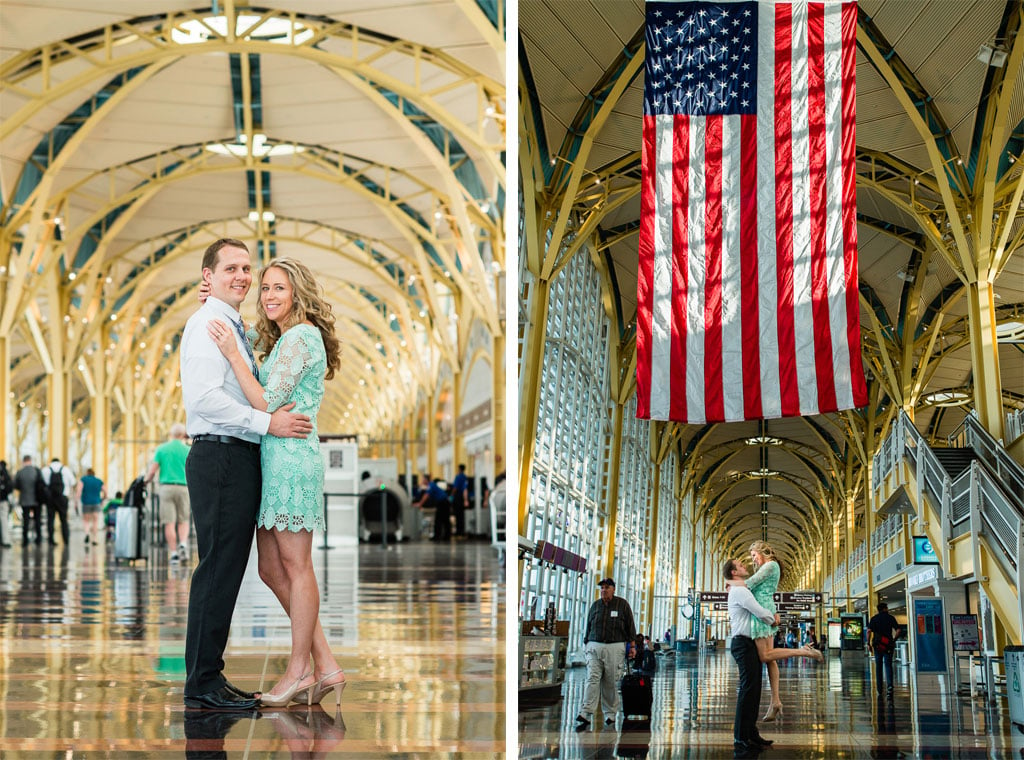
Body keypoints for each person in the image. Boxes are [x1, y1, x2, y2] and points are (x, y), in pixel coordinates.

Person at [180, 238, 314, 711]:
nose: (241, 276)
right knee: (217, 568)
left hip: (236, 456)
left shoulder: (228, 324)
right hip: (221, 455)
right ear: (208, 276)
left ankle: (208, 675)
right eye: (230, 269)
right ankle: (201, 683)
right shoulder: (207, 326)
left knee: (226, 569)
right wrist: (268, 422)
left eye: (246, 269)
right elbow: (204, 400)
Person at [207, 255, 345, 709]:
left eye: (278, 288)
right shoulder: (287, 338)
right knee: (270, 568)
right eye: (264, 287)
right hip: (274, 458)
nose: (268, 295)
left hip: (291, 461)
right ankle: (325, 664)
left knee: (297, 565)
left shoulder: (302, 336)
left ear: (297, 292)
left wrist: (231, 352)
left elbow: (265, 400)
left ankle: (298, 669)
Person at [740, 540, 822, 721]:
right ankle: (775, 701)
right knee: (771, 658)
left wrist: (732, 583)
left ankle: (804, 651)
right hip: (766, 608)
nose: (753, 560)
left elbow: (750, 584)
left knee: (765, 655)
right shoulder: (771, 567)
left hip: (761, 611)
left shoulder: (770, 565)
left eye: (754, 555)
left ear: (762, 551)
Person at [724, 558, 779, 758]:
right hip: (743, 644)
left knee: (754, 690)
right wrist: (774, 618)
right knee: (747, 690)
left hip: (750, 643)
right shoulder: (739, 591)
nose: (745, 566)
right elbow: (759, 612)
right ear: (733, 573)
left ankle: (751, 734)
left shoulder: (741, 589)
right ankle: (741, 737)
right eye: (740, 566)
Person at [575, 578, 636, 729]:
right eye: (602, 588)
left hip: (615, 647)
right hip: (594, 646)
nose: (603, 590)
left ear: (613, 589)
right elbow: (589, 624)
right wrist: (586, 642)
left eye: (606, 588)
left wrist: (632, 645)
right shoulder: (596, 606)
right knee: (592, 678)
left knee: (610, 681)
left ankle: (610, 713)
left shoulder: (622, 605)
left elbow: (630, 626)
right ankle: (585, 711)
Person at [145, 423, 192, 562]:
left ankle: (173, 554)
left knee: (169, 522)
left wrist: (146, 481)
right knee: (183, 520)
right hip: (184, 487)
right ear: (183, 434)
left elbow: (152, 471)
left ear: (171, 435)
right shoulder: (187, 450)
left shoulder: (161, 449)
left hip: (166, 488)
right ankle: (182, 544)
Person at [868, 602, 900, 697]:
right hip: (888, 644)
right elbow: (898, 630)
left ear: (878, 609)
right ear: (885, 608)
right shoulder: (891, 618)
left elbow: (869, 631)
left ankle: (879, 688)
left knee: (878, 666)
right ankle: (889, 686)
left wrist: (868, 643)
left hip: (877, 645)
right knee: (888, 665)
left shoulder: (874, 619)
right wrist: (894, 640)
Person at [41, 457, 75, 545]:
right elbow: (73, 482)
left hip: (50, 498)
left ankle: (51, 540)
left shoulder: (45, 470)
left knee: (50, 519)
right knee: (63, 520)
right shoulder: (66, 469)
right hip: (63, 497)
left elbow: (41, 484)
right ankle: (66, 540)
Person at [13, 456, 44, 545]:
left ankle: (25, 540)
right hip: (37, 499)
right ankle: (38, 539)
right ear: (30, 461)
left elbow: (15, 485)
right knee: (37, 519)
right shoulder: (37, 471)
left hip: (25, 499)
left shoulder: (20, 472)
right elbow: (42, 484)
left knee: (25, 520)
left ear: (23, 461)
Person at [75, 468, 106, 546]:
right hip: (96, 502)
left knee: (86, 520)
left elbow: (79, 491)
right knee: (95, 521)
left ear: (87, 473)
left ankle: (87, 534)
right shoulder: (99, 481)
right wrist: (102, 499)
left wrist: (76, 502)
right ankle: (95, 539)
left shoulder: (83, 480)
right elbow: (106, 492)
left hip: (86, 503)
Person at [450, 463, 469, 537]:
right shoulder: (465, 477)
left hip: (458, 497)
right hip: (462, 497)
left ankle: (458, 531)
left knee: (458, 515)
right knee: (461, 515)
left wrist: (451, 495)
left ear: (459, 469)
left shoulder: (458, 477)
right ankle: (461, 530)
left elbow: (455, 488)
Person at [0, 460, 13, 548]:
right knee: (4, 520)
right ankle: (5, 540)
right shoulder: (6, 474)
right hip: (3, 500)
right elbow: (10, 487)